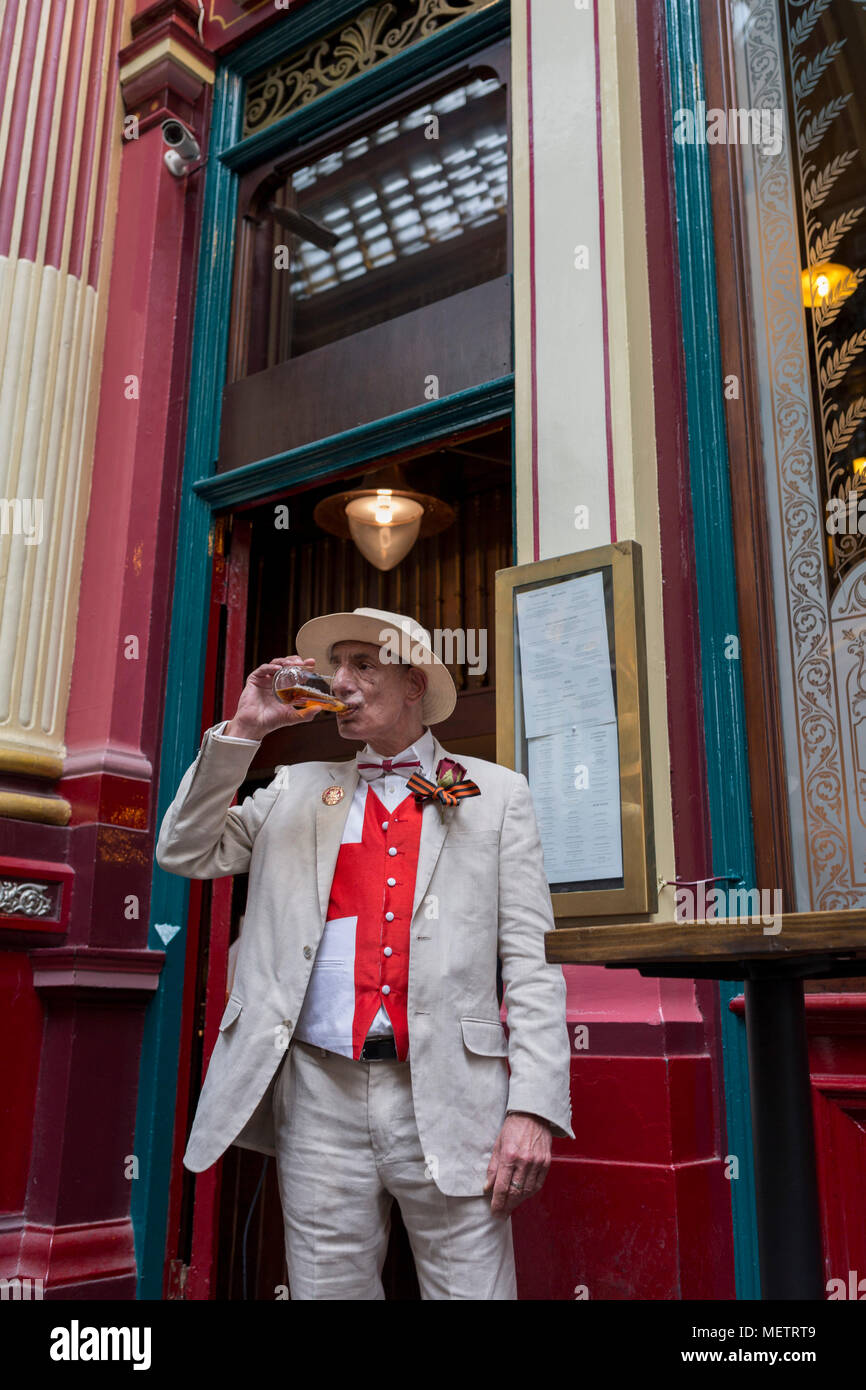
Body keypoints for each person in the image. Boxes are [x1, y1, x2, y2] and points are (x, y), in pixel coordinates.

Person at [156, 607, 573, 1299]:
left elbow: (532, 963)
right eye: (333, 668)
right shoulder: (291, 788)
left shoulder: (498, 796)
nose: (339, 682)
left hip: (452, 1094)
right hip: (318, 1095)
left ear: (414, 684)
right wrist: (244, 733)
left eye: (362, 665)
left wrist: (531, 1107)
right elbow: (182, 849)